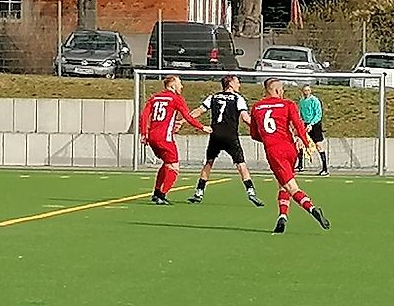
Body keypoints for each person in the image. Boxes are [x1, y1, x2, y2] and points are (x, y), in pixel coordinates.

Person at [249, 78, 330, 234]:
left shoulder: (257, 107)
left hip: (274, 151)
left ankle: (312, 209)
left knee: (291, 187)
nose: (283, 92)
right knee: (284, 183)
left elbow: (254, 134)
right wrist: (306, 143)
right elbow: (299, 125)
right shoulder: (288, 104)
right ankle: (282, 216)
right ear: (277, 90)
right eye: (282, 89)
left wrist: (267, 138)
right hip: (290, 148)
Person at [184, 75, 263, 206]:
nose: (239, 85)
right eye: (237, 82)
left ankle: (199, 192)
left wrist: (183, 120)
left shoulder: (213, 97)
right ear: (230, 84)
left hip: (215, 135)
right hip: (230, 136)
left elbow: (199, 111)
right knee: (241, 164)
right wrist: (259, 129)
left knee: (209, 162)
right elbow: (245, 118)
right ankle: (251, 192)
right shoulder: (238, 98)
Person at [139, 75, 212, 205]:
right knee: (174, 167)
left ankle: (156, 192)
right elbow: (188, 116)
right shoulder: (175, 99)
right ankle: (162, 195)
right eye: (179, 83)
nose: (181, 86)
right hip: (165, 138)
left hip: (152, 137)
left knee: (166, 164)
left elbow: (144, 115)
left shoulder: (155, 98)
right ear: (172, 85)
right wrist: (202, 127)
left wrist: (144, 133)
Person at [296, 85, 329, 176]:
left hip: (315, 125)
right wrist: (301, 122)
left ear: (310, 91)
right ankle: (300, 165)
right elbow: (301, 113)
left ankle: (325, 168)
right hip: (305, 124)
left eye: (308, 90)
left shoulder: (314, 100)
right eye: (305, 90)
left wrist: (311, 124)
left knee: (319, 145)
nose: (306, 92)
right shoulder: (302, 101)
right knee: (300, 143)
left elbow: (318, 114)